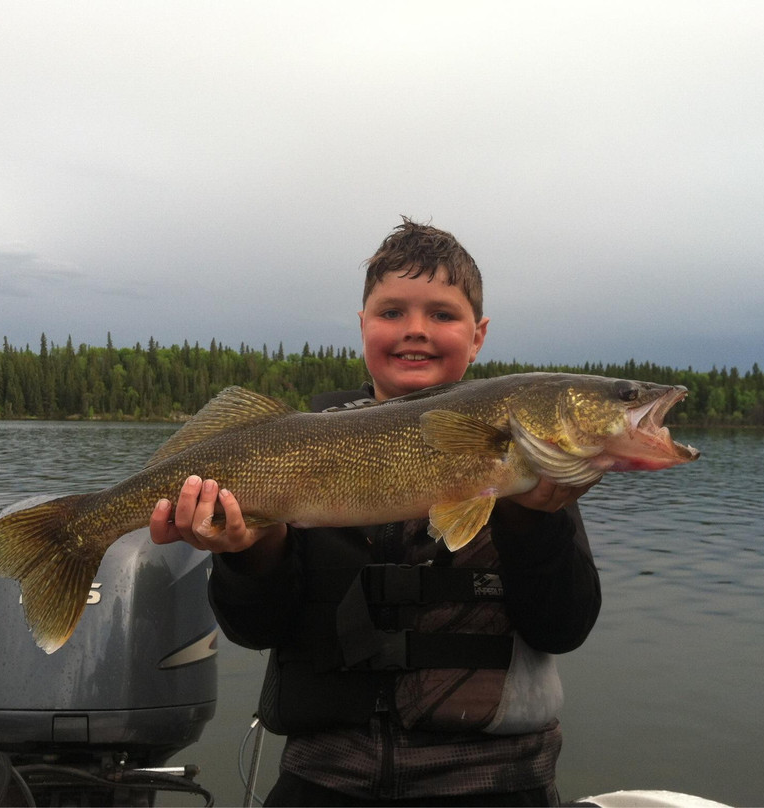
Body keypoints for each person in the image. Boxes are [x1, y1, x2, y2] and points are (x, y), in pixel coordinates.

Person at [149, 219, 601, 806]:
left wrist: (532, 522)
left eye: (442, 314)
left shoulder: (527, 466)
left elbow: (563, 627)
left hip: (495, 780)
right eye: (392, 312)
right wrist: (251, 553)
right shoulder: (295, 445)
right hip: (326, 776)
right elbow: (257, 629)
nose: (416, 329)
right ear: (363, 325)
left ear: (479, 335)